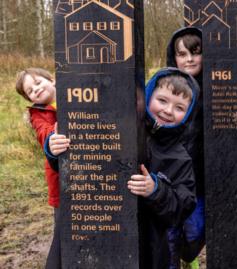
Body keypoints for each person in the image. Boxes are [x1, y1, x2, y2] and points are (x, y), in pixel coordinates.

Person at [47, 68, 199, 269]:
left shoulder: (180, 157)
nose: (168, 111)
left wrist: (156, 190)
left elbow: (182, 207)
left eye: (179, 107)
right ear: (147, 95)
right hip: (94, 224)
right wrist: (55, 150)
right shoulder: (115, 126)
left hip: (147, 246)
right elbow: (80, 164)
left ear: (189, 114)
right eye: (162, 101)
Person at [15, 67, 65, 268]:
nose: (35, 90)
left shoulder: (74, 93)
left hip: (88, 172)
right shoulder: (39, 114)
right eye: (29, 91)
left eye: (37, 83)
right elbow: (45, 134)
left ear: (51, 79)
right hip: (61, 183)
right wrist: (55, 135)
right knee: (63, 233)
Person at [166, 26, 205, 268]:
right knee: (169, 238)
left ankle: (188, 258)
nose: (189, 59)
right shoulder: (165, 86)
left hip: (200, 181)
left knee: (195, 233)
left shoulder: (217, 88)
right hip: (170, 179)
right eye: (182, 54)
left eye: (195, 52)